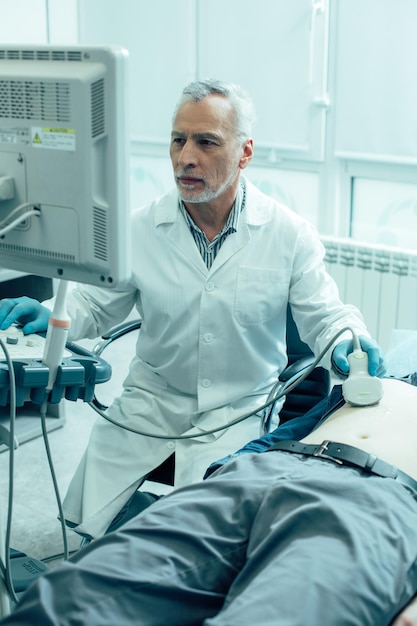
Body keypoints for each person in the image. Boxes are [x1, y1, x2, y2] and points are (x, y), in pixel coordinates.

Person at [0, 79, 384, 541]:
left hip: (238, 408)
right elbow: (93, 304)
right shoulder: (139, 228)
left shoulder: (288, 234)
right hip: (150, 402)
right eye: (178, 139)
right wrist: (49, 312)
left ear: (244, 152)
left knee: (204, 538)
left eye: (206, 142)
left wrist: (349, 340)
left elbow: (326, 315)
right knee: (86, 530)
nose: (186, 157)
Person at [1, 376, 417, 626]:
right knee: (66, 599)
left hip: (373, 497)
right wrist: (229, 468)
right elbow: (287, 430)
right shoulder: (379, 378)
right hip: (262, 473)